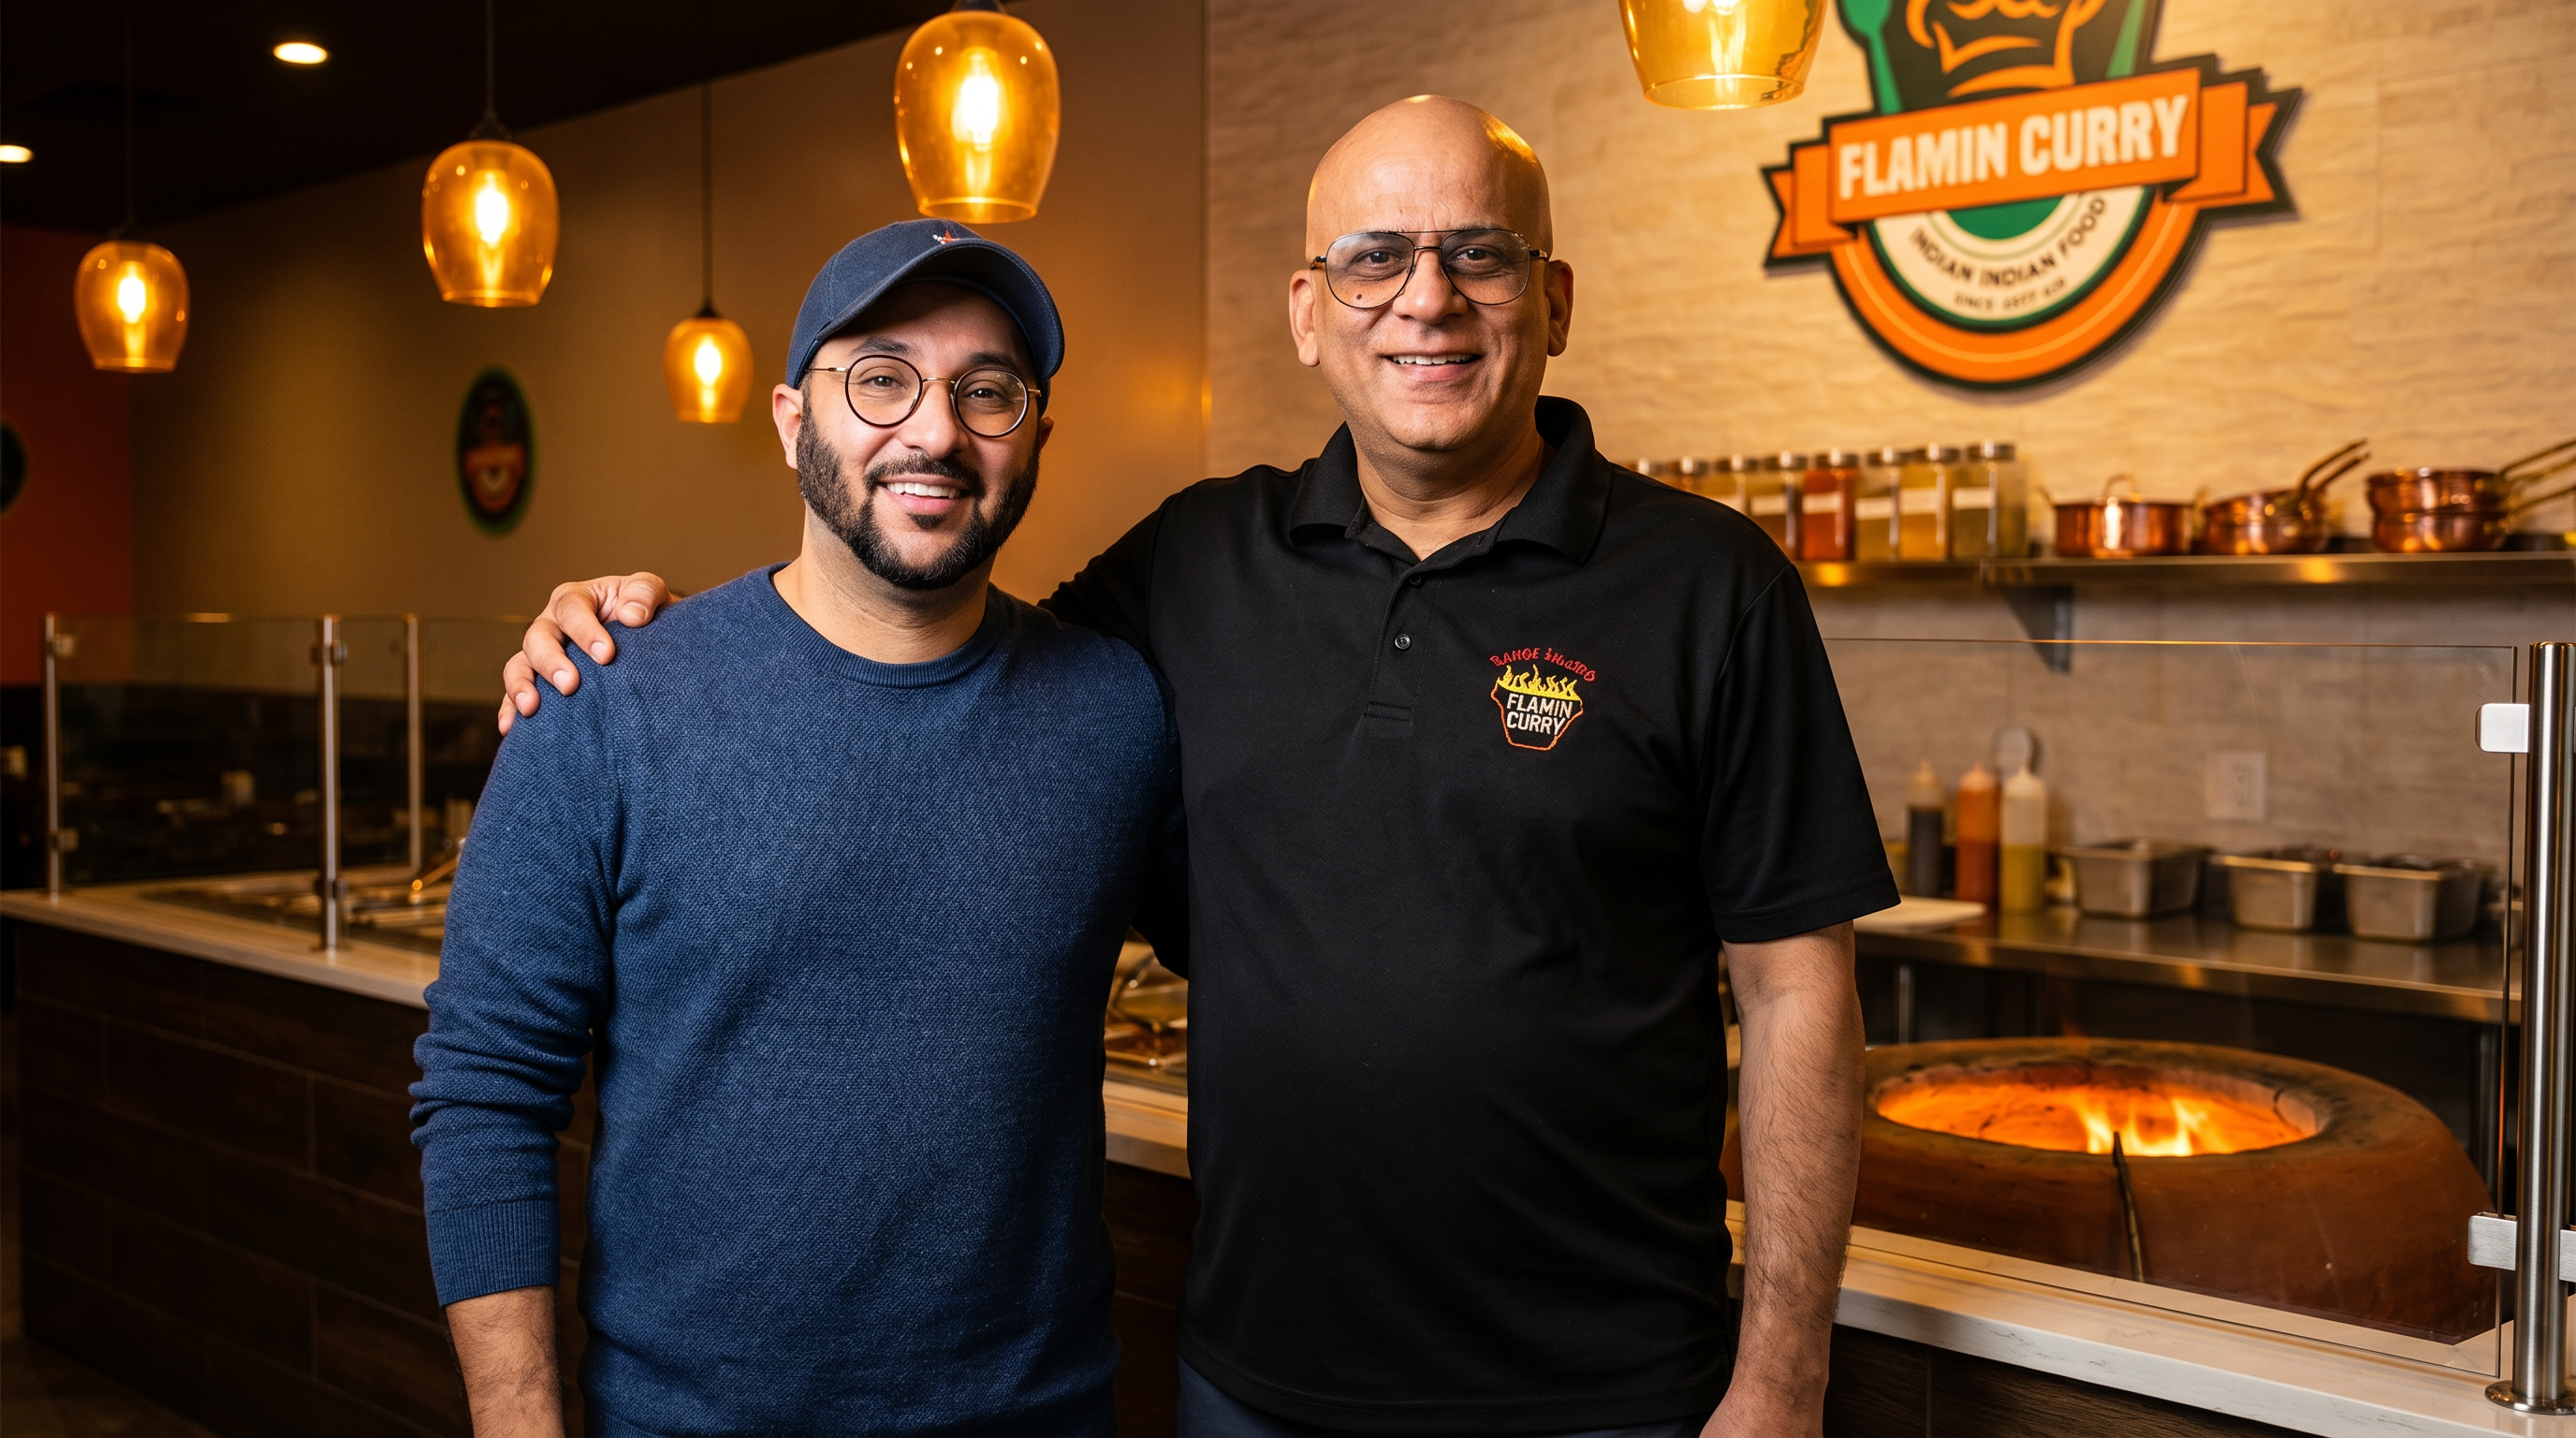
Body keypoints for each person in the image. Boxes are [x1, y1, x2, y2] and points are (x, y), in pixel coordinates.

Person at [504, 97, 1895, 1437]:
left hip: (1612, 1387)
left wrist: (1783, 1379)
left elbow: (1795, 990)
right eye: (1374, 260)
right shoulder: (1195, 566)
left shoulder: (1714, 587)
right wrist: (660, 637)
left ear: (1557, 298)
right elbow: (925, 640)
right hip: (1259, 1380)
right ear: (1308, 310)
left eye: (1480, 252)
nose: (1428, 298)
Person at [417, 220, 1183, 1438]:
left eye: (988, 391)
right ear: (789, 419)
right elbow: (484, 1095)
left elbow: (1281, 943)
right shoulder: (602, 700)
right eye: (880, 377)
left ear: (1036, 430)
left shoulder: (1119, 713)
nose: (935, 429)